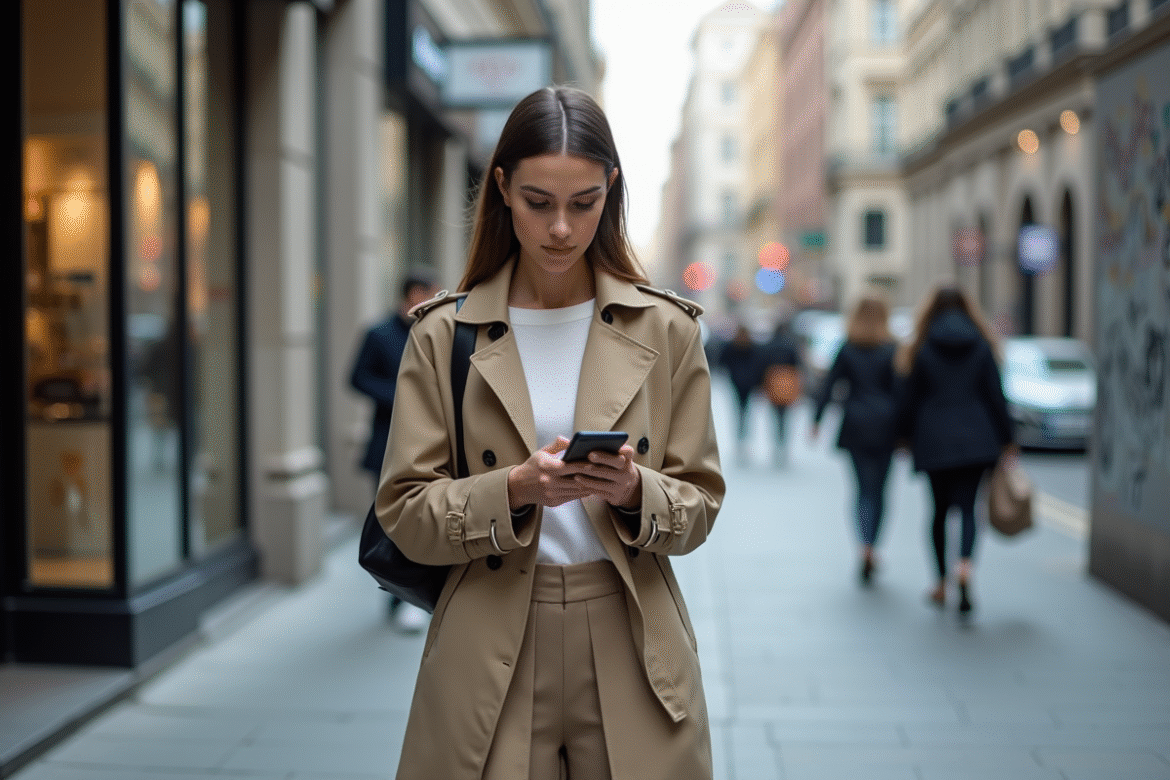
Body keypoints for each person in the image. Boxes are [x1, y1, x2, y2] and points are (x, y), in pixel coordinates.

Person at [375, 86, 724, 780]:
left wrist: (633, 491)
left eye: (583, 202)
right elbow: (405, 511)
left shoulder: (669, 330)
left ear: (611, 190)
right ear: (502, 187)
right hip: (491, 627)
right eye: (539, 202)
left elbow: (700, 507)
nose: (561, 228)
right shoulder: (445, 334)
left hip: (629, 629)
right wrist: (514, 488)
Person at [896, 286, 1014, 616]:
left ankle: (939, 582)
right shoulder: (980, 343)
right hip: (978, 437)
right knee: (968, 509)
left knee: (937, 512)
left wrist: (902, 437)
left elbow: (910, 397)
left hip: (933, 438)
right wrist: (1007, 440)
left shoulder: (922, 344)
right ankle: (965, 568)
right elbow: (995, 395)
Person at [350, 271, 437, 632]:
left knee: (422, 516)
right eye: (429, 294)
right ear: (414, 294)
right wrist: (399, 397)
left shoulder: (435, 331)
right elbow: (356, 378)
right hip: (387, 440)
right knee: (390, 521)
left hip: (430, 443)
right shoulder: (379, 333)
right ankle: (398, 594)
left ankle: (413, 594)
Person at [810, 294, 899, 585]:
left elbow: (830, 386)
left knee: (862, 490)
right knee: (881, 491)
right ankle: (874, 546)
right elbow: (903, 392)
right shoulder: (892, 349)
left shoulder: (848, 348)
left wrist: (817, 420)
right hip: (886, 426)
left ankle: (863, 547)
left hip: (856, 424)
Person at [719, 322, 763, 464]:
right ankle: (742, 438)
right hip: (745, 384)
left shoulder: (732, 346)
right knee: (745, 411)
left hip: (738, 383)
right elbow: (758, 364)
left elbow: (722, 362)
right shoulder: (750, 346)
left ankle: (741, 439)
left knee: (740, 412)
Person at [760, 319, 802, 466]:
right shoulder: (791, 345)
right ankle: (783, 443)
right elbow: (797, 365)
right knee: (785, 417)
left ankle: (778, 444)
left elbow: (763, 365)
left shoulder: (769, 345)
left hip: (773, 383)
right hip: (788, 382)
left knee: (775, 416)